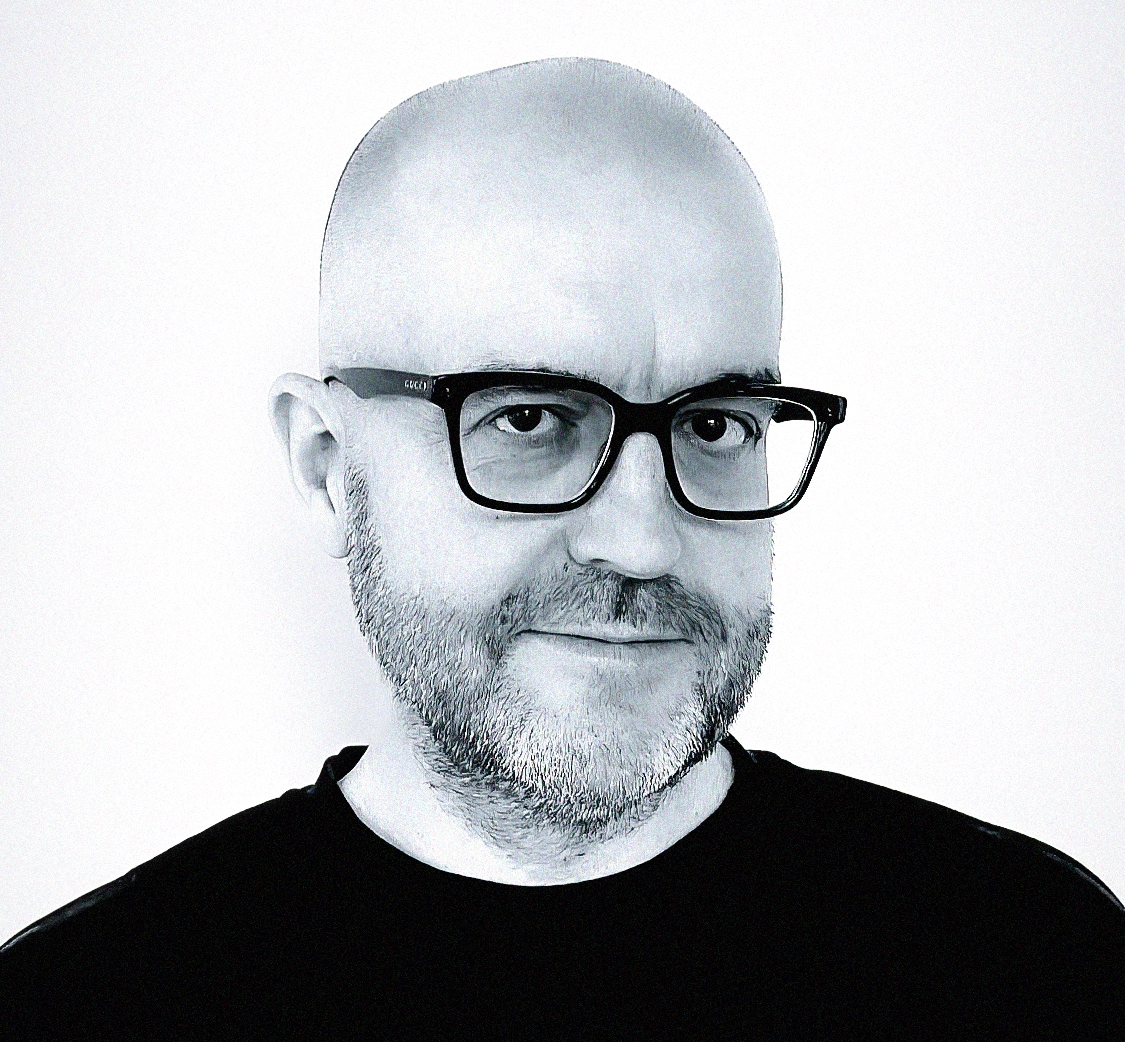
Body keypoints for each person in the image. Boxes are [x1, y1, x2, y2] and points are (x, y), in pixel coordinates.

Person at [2, 58, 1121, 1040]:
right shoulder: (83, 1006)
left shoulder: (1031, 962)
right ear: (329, 466)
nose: (642, 539)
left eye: (714, 425)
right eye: (529, 419)